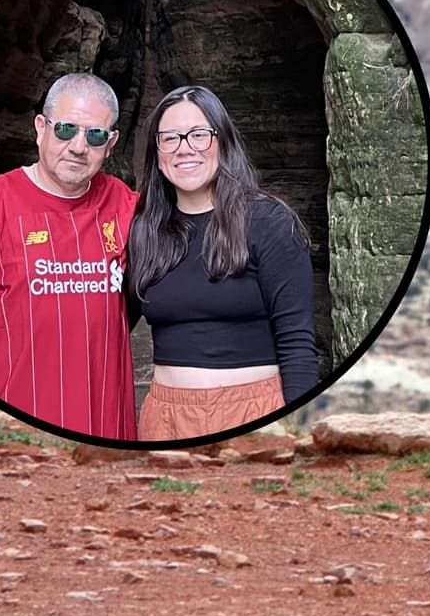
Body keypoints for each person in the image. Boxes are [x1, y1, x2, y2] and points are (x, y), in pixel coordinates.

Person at [0, 73, 139, 439]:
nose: (78, 146)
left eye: (94, 135)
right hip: (15, 418)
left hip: (105, 420)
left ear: (111, 144)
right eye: (66, 130)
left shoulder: (122, 201)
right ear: (40, 128)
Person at [128, 85, 318, 441]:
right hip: (165, 420)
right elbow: (105, 324)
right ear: (157, 152)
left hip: (256, 414)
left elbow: (297, 344)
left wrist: (300, 433)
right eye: (169, 138)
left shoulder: (268, 222)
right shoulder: (145, 231)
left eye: (199, 135)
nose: (184, 149)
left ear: (223, 140)